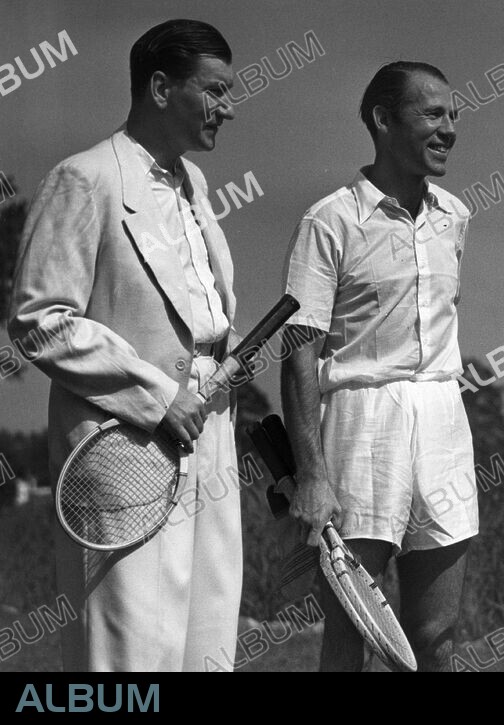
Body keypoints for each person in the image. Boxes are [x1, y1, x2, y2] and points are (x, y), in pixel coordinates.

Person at [7, 19, 241, 671]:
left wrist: (227, 353)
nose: (230, 106)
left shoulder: (197, 189)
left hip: (210, 440)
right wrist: (158, 396)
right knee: (131, 650)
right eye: (216, 90)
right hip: (124, 446)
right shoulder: (84, 178)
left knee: (206, 642)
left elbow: (203, 315)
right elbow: (39, 318)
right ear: (161, 87)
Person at [281, 61, 475, 672]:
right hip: (361, 422)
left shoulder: (457, 217)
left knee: (436, 629)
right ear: (383, 120)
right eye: (432, 114)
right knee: (353, 627)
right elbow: (298, 350)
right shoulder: (329, 219)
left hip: (443, 416)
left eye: (452, 115)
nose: (447, 129)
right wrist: (311, 473)